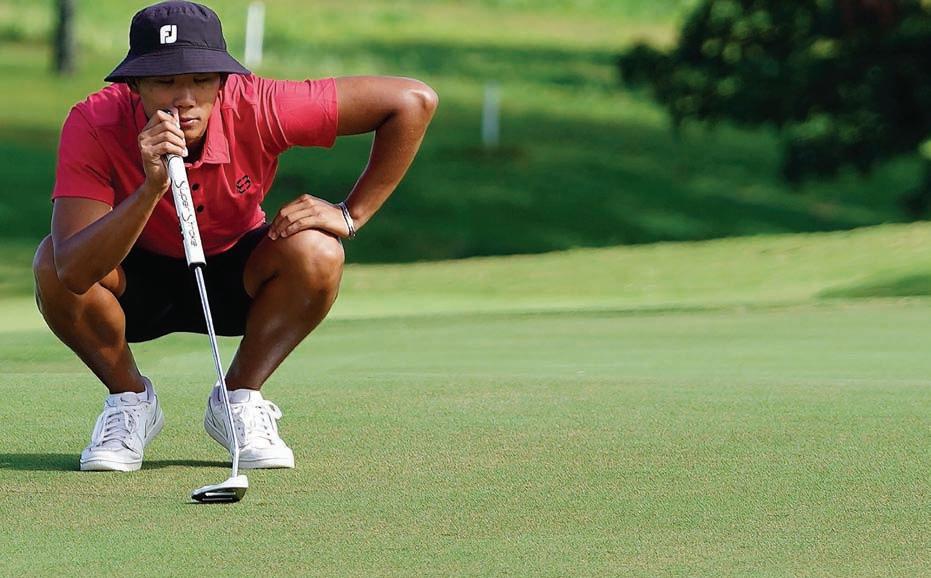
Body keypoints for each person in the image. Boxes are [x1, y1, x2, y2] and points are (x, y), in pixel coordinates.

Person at [32, 1, 438, 472]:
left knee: (317, 250)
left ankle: (239, 399)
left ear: (224, 81)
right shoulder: (93, 122)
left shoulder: (259, 105)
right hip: (130, 279)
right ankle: (130, 401)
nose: (184, 97)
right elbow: (73, 270)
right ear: (134, 85)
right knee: (51, 261)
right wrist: (150, 189)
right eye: (164, 81)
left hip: (236, 277)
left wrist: (351, 214)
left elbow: (413, 101)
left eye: (202, 79)